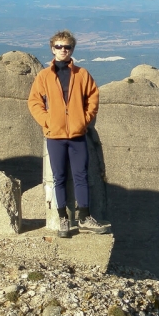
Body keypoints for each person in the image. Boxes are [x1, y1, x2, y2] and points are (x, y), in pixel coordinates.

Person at [28, 30, 109, 237]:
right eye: (59, 47)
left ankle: (84, 217)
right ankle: (63, 219)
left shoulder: (81, 74)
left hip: (77, 135)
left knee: (81, 176)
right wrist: (47, 121)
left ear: (72, 49)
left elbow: (93, 97)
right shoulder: (44, 76)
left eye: (67, 47)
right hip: (55, 136)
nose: (63, 50)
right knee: (59, 178)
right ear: (52, 48)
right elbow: (35, 101)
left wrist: (84, 119)